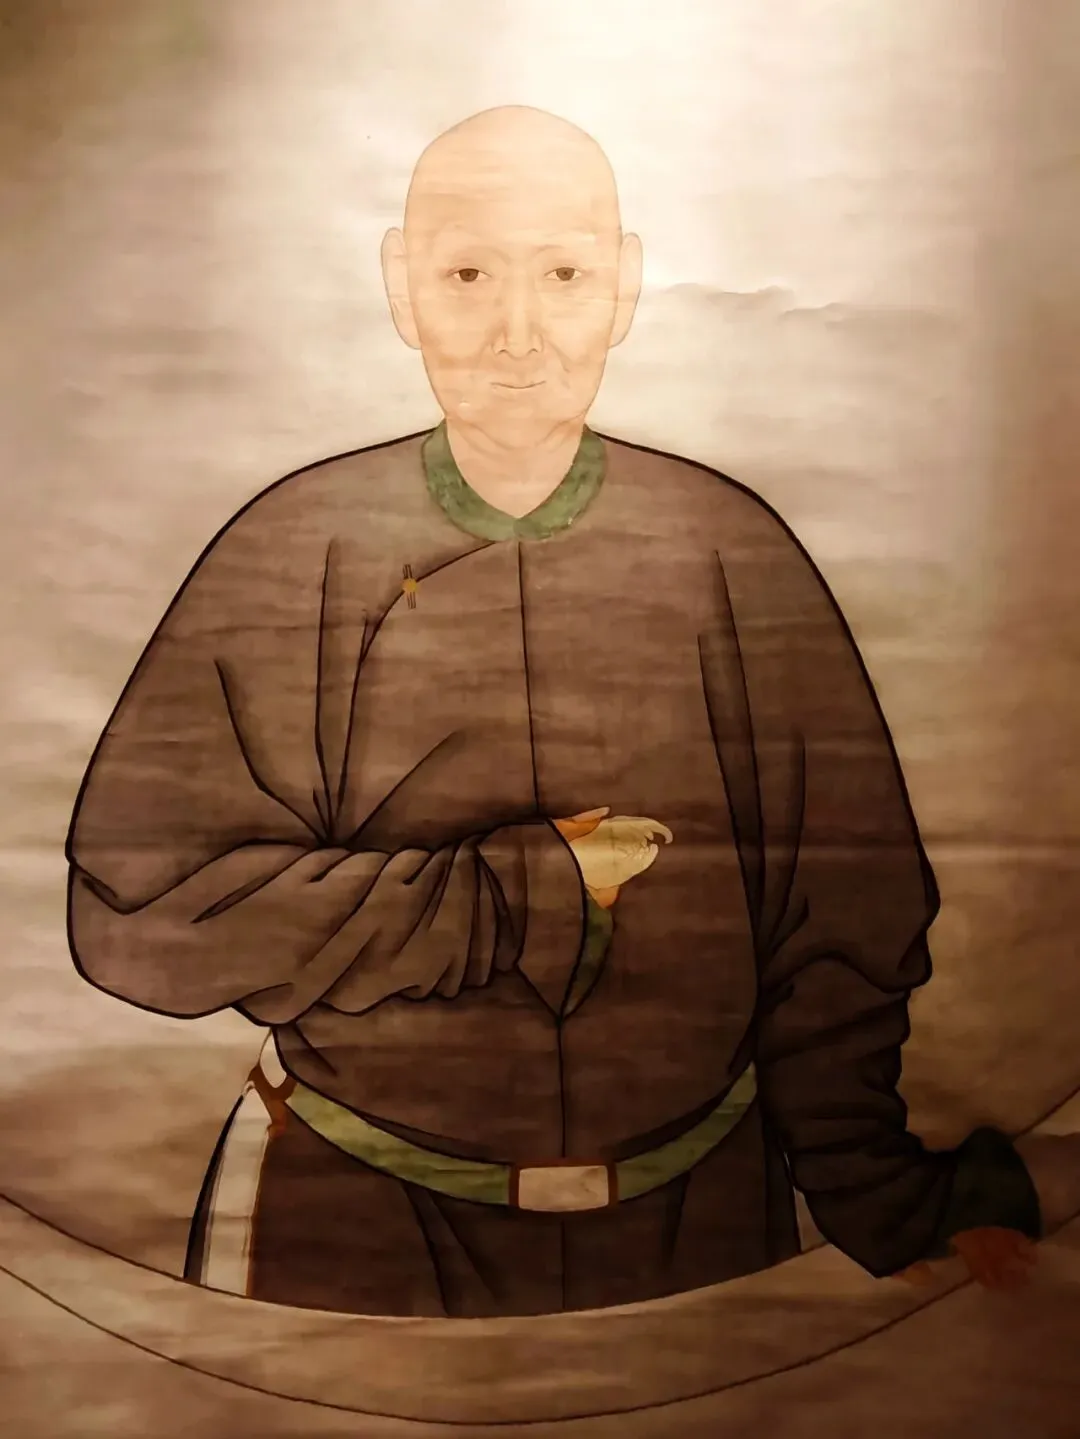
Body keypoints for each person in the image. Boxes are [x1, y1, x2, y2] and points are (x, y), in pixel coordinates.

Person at [67, 106, 1040, 1318]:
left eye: (564, 275)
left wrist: (871, 1182)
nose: (518, 333)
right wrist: (508, 897)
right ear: (402, 287)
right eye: (468, 275)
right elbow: (139, 913)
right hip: (365, 1211)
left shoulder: (730, 551)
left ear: (625, 285)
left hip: (703, 1207)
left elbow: (844, 911)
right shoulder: (292, 551)